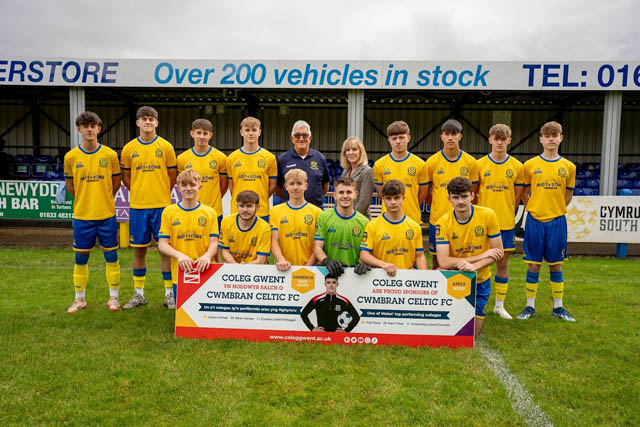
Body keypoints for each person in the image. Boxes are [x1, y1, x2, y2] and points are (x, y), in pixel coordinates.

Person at [517, 121, 576, 322]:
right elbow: (524, 193)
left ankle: (558, 307)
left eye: (555, 135)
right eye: (547, 135)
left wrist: (556, 209)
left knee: (556, 265)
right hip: (534, 220)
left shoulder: (569, 167)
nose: (551, 139)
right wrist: (535, 207)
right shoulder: (530, 165)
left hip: (557, 222)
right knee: (533, 265)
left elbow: (568, 196)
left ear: (561, 138)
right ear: (541, 139)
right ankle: (530, 307)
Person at [63, 111, 121, 313]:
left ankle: (114, 299)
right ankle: (79, 300)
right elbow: (70, 185)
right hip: (82, 216)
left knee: (111, 257)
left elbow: (116, 183)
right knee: (80, 258)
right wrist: (84, 198)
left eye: (92, 125)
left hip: (106, 215)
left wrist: (102, 197)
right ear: (79, 129)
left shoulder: (110, 155)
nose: (89, 129)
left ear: (99, 129)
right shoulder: (71, 157)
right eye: (85, 126)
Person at [120, 106, 177, 309]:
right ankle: (139, 294)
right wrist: (138, 192)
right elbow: (126, 178)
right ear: (137, 122)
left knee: (165, 252)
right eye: (144, 119)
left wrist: (161, 192)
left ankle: (170, 294)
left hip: (162, 207)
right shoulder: (129, 149)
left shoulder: (166, 147)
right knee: (139, 251)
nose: (147, 122)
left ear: (157, 123)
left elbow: (172, 177)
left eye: (151, 119)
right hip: (138, 207)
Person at [435, 177, 504, 336]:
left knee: (472, 334)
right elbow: (444, 261)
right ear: (449, 199)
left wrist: (474, 266)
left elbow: (498, 252)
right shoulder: (443, 222)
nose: (460, 201)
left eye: (464, 196)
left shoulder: (488, 215)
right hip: (455, 277)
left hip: (480, 278)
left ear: (472, 196)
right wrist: (481, 255)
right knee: (452, 332)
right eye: (456, 197)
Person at [477, 124, 525, 320]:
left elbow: (518, 196)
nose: (499, 142)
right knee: (479, 263)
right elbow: (473, 193)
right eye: (496, 139)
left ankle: (499, 305)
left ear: (509, 141)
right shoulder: (479, 165)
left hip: (504, 223)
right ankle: (475, 302)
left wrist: (504, 210)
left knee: (502, 262)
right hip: (481, 224)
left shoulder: (517, 166)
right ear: (490, 140)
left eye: (503, 139)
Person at [158, 169, 219, 301]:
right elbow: (162, 244)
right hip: (180, 270)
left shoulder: (210, 212)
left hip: (205, 268)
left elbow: (214, 242)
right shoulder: (169, 212)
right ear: (178, 188)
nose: (188, 188)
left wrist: (207, 256)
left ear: (200, 187)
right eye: (184, 185)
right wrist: (180, 256)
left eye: (192, 185)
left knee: (206, 313)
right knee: (184, 315)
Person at [425, 119, 479, 269]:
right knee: (437, 261)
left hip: (463, 221)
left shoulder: (471, 162)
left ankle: (462, 291)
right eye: (446, 134)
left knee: (463, 260)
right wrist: (436, 206)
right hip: (438, 220)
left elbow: (473, 191)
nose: (450, 138)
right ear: (441, 136)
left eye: (453, 134)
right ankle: (439, 292)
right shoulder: (432, 162)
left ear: (460, 137)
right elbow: (426, 191)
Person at [359, 180, 428, 276]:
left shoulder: (414, 226)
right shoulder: (372, 225)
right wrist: (384, 265)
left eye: (396, 198)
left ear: (403, 198)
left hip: (407, 278)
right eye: (388, 198)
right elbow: (364, 255)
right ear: (383, 199)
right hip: (381, 277)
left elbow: (419, 256)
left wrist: (424, 276)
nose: (393, 202)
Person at [373, 121, 428, 225]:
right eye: (394, 138)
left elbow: (423, 194)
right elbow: (381, 194)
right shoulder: (379, 164)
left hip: (412, 219)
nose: (398, 141)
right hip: (387, 220)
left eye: (401, 137)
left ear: (408, 138)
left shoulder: (420, 164)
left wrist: (410, 204)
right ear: (389, 140)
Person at [313, 176, 370, 277]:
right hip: (328, 273)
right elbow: (317, 247)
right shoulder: (323, 217)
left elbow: (366, 252)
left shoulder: (365, 222)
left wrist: (364, 264)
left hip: (354, 275)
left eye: (349, 192)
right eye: (341, 192)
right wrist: (327, 261)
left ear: (355, 195)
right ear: (334, 195)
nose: (345, 196)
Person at [177, 118, 227, 228]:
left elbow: (223, 186)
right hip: (189, 210)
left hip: (214, 211)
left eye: (205, 133)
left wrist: (215, 199)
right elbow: (182, 184)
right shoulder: (182, 159)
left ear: (210, 135)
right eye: (198, 133)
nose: (202, 136)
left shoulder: (221, 158)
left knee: (214, 243)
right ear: (192, 134)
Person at [226, 116, 277, 223]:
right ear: (241, 132)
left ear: (259, 132)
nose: (251, 133)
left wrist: (260, 198)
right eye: (247, 130)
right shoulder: (232, 158)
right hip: (238, 211)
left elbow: (273, 186)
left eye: (254, 130)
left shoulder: (269, 157)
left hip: (261, 211)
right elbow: (231, 186)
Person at [270, 169, 322, 271]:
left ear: (305, 186)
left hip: (311, 268)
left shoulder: (317, 212)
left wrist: (307, 267)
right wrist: (281, 260)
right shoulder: (275, 211)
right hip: (284, 267)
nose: (295, 187)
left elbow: (319, 244)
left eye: (299, 183)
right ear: (286, 186)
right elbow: (274, 241)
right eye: (291, 184)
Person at [276, 120, 330, 208]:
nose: (301, 139)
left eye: (305, 135)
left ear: (310, 138)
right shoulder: (283, 159)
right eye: (297, 135)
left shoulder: (320, 158)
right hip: (289, 211)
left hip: (315, 210)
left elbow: (325, 185)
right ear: (292, 139)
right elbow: (277, 187)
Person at [219, 190, 270, 264]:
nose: (245, 210)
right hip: (232, 267)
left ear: (257, 207)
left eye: (249, 206)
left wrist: (244, 269)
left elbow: (261, 260)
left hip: (256, 270)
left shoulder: (265, 228)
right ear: (237, 206)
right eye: (241, 206)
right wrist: (237, 267)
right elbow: (225, 252)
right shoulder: (226, 222)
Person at [340, 136, 374, 217]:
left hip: (359, 219)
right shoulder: (345, 172)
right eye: (348, 150)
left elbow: (364, 201)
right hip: (344, 218)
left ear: (360, 152)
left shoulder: (367, 171)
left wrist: (352, 218)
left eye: (354, 149)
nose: (351, 153)